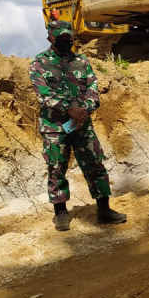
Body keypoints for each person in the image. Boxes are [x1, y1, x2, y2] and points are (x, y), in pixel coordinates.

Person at [29, 20, 127, 231]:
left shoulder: (82, 62)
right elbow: (43, 95)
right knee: (56, 167)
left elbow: (92, 87)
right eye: (61, 37)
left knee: (95, 164)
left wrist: (85, 110)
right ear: (50, 38)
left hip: (82, 124)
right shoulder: (39, 63)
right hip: (55, 127)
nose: (67, 41)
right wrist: (69, 109)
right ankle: (61, 213)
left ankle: (104, 210)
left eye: (69, 37)